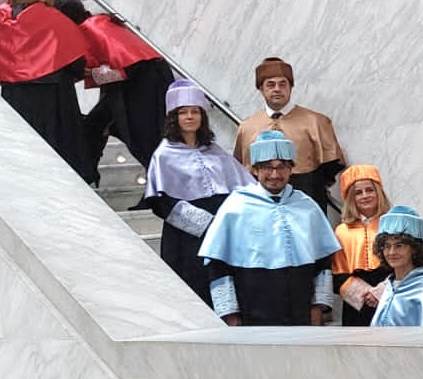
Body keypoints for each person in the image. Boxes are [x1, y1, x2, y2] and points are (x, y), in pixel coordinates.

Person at [198, 129, 341, 326]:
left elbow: (323, 262)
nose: (275, 174)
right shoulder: (235, 207)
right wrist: (230, 314)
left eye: (281, 167)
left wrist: (318, 307)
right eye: (267, 167)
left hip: (300, 309)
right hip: (253, 308)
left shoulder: (306, 206)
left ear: (291, 169)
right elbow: (218, 265)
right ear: (255, 169)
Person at [0, 0, 97, 184]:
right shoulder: (53, 19)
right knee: (58, 154)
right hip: (53, 97)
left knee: (22, 153)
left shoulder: (2, 18)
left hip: (14, 95)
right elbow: (76, 62)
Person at [137, 80, 250, 306]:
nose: (190, 117)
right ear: (174, 117)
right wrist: (205, 223)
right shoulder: (163, 155)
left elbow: (242, 186)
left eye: (195, 111)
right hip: (186, 236)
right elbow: (161, 203)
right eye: (183, 112)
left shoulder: (215, 151)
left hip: (222, 229)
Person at [55, 0, 175, 168]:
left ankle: (163, 182)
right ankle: (86, 172)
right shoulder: (97, 23)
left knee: (144, 138)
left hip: (144, 81)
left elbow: (126, 68)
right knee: (95, 125)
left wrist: (90, 74)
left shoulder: (91, 28)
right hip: (139, 79)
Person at [232, 58, 345, 211]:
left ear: (290, 87)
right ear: (261, 89)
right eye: (270, 84)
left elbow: (330, 166)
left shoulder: (316, 121)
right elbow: (241, 170)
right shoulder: (247, 127)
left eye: (282, 83)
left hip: (307, 197)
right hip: (262, 204)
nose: (277, 89)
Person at [371, 206, 423, 327]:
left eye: (399, 245)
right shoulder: (390, 285)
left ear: (415, 248)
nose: (391, 252)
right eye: (387, 246)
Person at [331, 165, 393, 326]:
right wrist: (363, 295)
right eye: (358, 192)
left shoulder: (392, 224)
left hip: (390, 297)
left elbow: (405, 267)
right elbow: (338, 274)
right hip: (356, 306)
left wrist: (380, 293)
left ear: (378, 192)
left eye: (369, 190)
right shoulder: (342, 231)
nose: (365, 196)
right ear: (350, 198)